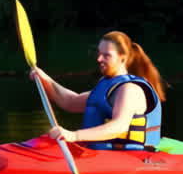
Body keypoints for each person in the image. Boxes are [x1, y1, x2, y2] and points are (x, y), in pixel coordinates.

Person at [30, 31, 166, 150]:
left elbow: (119, 127)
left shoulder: (130, 90)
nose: (99, 59)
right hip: (100, 152)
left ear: (123, 58)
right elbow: (71, 102)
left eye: (106, 55)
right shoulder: (107, 84)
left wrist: (74, 135)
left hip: (135, 156)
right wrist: (43, 78)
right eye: (99, 53)